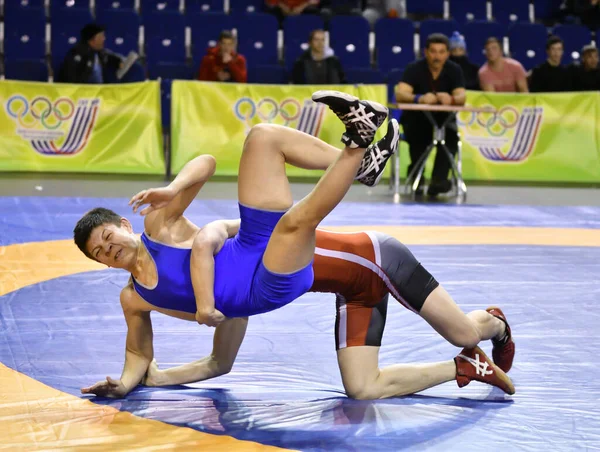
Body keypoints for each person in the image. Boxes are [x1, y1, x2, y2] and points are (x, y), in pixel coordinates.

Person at [74, 95, 516, 400]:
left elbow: (205, 164)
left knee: (266, 144)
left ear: (123, 224)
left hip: (375, 257)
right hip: (309, 282)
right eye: (99, 253)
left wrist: (175, 189)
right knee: (363, 389)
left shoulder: (164, 227)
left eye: (108, 238)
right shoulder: (152, 297)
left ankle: (493, 325)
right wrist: (138, 381)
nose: (108, 250)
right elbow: (197, 360)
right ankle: (465, 368)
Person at [396, 33, 466, 197]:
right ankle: (416, 177)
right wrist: (418, 98)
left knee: (450, 137)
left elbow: (462, 97)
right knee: (420, 135)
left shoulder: (454, 70)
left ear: (447, 54)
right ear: (426, 52)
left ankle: (439, 180)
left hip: (443, 120)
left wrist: (451, 98)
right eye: (433, 51)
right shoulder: (414, 68)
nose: (437, 56)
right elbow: (400, 94)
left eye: (441, 52)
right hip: (417, 119)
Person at [56, 23, 123, 84]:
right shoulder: (77, 54)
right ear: (92, 40)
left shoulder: (100, 53)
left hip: (100, 92)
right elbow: (70, 79)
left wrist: (119, 62)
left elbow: (111, 58)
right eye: (101, 36)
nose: (104, 39)